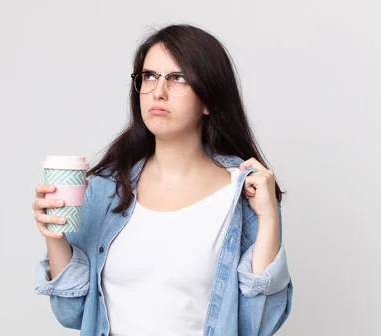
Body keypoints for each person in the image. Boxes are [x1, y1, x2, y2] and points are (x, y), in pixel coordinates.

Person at [32, 24, 292, 336]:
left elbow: (260, 324)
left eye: (177, 78)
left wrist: (268, 219)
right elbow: (71, 312)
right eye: (149, 76)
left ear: (209, 100)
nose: (159, 91)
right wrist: (55, 235)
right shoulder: (105, 189)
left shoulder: (245, 194)